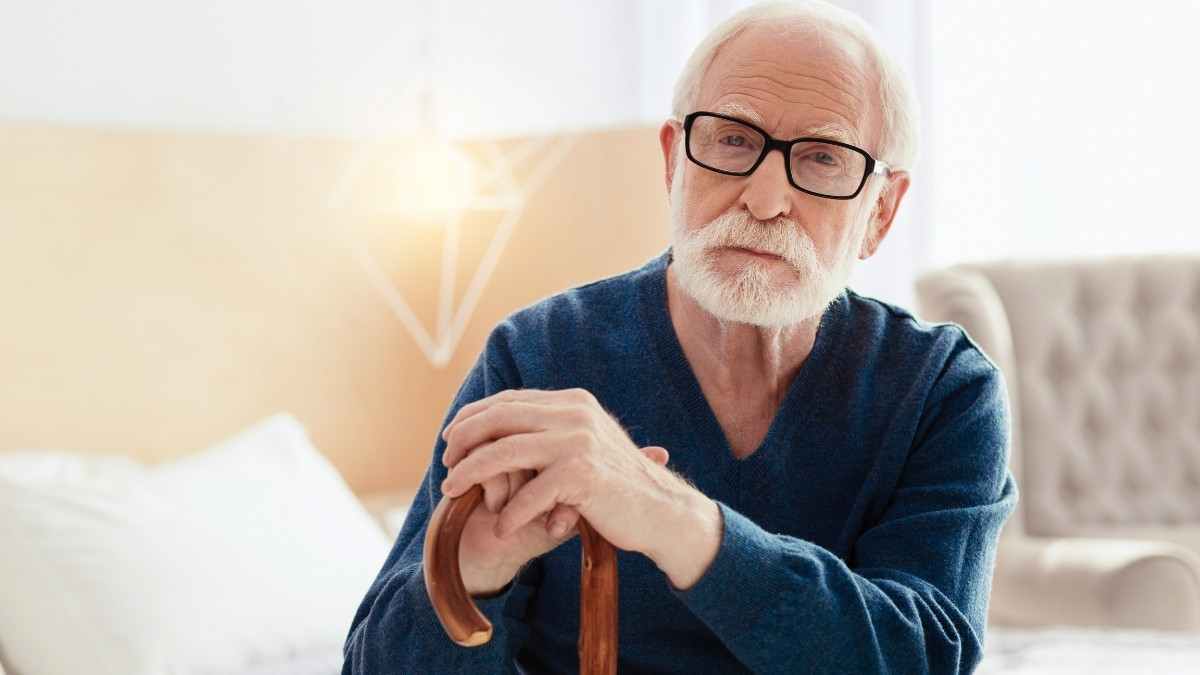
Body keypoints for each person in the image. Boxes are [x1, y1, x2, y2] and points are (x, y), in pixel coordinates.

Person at [343, 0, 1016, 672]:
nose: (764, 198)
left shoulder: (944, 390)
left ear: (882, 212)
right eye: (732, 140)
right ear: (674, 162)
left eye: (821, 158)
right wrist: (471, 578)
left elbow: (923, 657)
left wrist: (669, 516)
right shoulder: (536, 355)